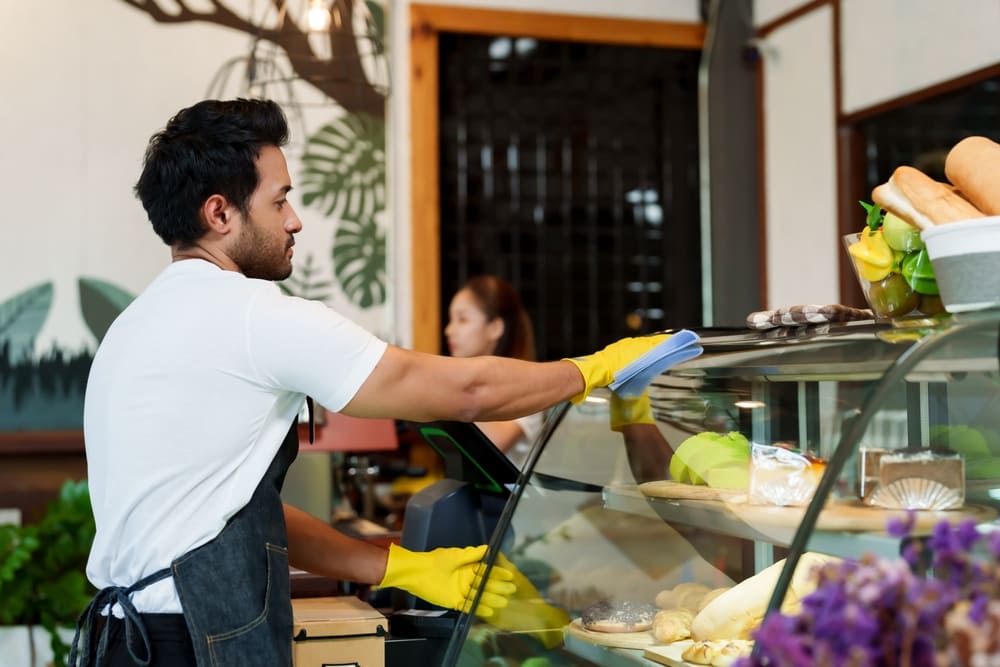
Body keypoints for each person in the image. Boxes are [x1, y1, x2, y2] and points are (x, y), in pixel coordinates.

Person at [71, 98, 671, 666]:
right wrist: (592, 369)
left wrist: (401, 567)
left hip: (125, 640)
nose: (295, 221)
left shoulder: (134, 327)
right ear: (220, 212)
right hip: (195, 641)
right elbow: (464, 394)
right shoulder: (251, 314)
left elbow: (242, 520)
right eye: (279, 201)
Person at [445, 274, 544, 468]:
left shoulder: (526, 386)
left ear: (495, 328)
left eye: (462, 320)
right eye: (450, 319)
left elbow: (494, 444)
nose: (449, 330)